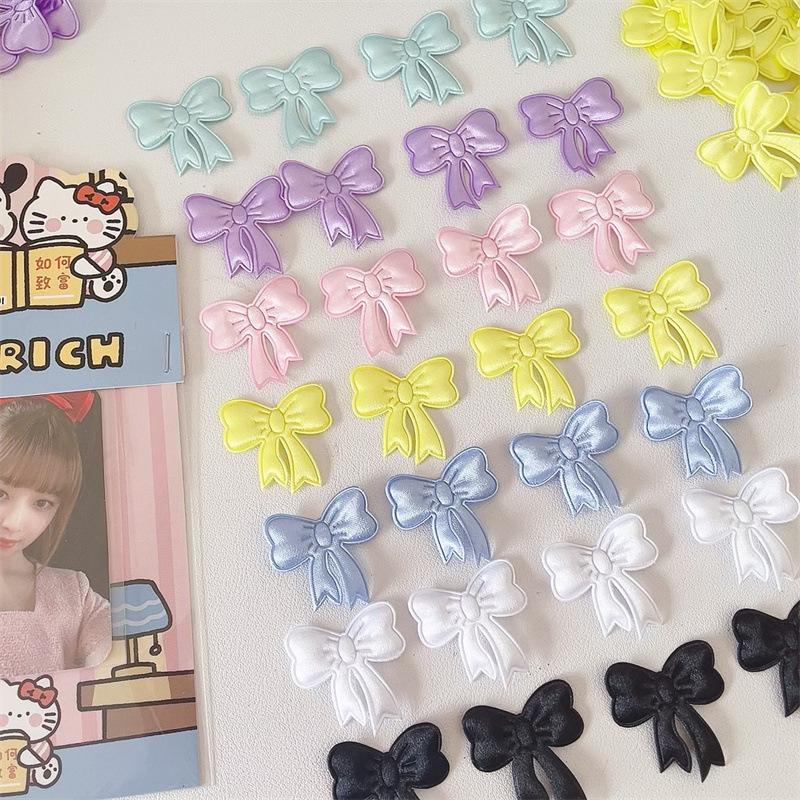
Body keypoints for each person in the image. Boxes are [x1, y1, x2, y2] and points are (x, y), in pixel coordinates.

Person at [0, 392, 111, 677]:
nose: (14, 523)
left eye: (41, 503)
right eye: (1, 493)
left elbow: (122, 661)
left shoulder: (74, 594)